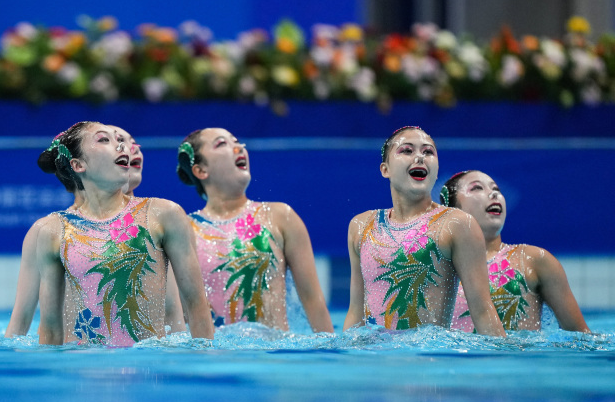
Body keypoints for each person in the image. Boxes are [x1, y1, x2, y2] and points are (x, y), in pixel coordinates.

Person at [35, 121, 213, 346]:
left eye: (120, 140)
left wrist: (206, 365)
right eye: (104, 140)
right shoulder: (54, 230)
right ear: (78, 164)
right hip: (83, 369)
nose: (121, 146)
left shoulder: (163, 214)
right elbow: (50, 329)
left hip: (151, 369)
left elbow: (196, 303)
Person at [5, 126, 185, 337]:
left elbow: (173, 310)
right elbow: (23, 321)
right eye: (113, 141)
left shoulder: (155, 222)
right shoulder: (49, 231)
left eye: (131, 143)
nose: (130, 148)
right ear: (80, 164)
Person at [344, 126, 505, 336]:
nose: (420, 157)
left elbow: (483, 312)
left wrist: (504, 362)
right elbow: (355, 313)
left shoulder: (456, 224)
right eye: (407, 150)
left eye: (428, 152)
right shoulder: (361, 226)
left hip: (429, 360)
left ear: (436, 169)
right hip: (374, 359)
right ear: (385, 169)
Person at [175, 127, 334, 332]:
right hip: (212, 360)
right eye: (222, 144)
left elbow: (314, 301)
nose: (238, 148)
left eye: (237, 142)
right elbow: (176, 315)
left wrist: (328, 353)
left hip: (272, 356)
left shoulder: (280, 217)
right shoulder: (183, 230)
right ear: (200, 170)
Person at [440, 169, 590, 332]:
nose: (493, 194)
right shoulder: (438, 270)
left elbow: (581, 339)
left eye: (496, 189)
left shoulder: (534, 260)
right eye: (477, 188)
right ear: (451, 210)